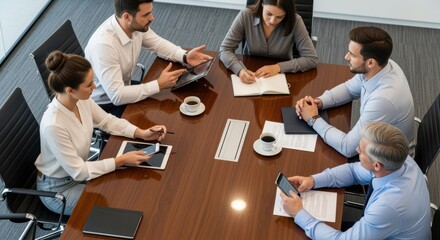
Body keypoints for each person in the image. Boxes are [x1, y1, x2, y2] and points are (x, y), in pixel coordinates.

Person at [35, 51, 168, 215]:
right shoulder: (54, 125)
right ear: (70, 90)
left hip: (79, 172)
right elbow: (79, 172)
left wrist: (141, 133)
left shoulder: (80, 100)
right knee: (113, 204)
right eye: (89, 85)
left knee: (126, 189)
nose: (95, 87)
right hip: (58, 190)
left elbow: (107, 121)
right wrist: (121, 160)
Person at [281, 122, 431, 239]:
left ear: (376, 165)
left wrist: (299, 213)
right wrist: (313, 180)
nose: (357, 150)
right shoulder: (399, 160)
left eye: (361, 150)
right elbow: (353, 171)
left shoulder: (389, 206)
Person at [295, 26, 415, 158]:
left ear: (370, 63)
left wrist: (313, 119)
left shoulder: (383, 101)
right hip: (376, 147)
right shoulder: (382, 65)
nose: (346, 56)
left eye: (352, 54)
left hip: (386, 165)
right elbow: (349, 89)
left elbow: (347, 147)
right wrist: (319, 102)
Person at [85, 0, 212, 117]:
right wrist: (158, 84)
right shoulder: (104, 46)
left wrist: (185, 56)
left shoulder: (132, 25)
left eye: (151, 12)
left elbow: (156, 43)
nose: (152, 18)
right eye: (146, 15)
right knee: (161, 122)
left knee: (172, 100)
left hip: (125, 87)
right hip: (105, 106)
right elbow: (117, 96)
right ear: (127, 17)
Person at [219, 0, 318, 84]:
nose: (272, 21)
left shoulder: (295, 21)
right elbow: (225, 49)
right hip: (250, 71)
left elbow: (311, 59)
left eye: (279, 17)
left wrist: (278, 67)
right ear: (262, 4)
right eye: (269, 14)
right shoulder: (246, 16)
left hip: (282, 75)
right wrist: (239, 70)